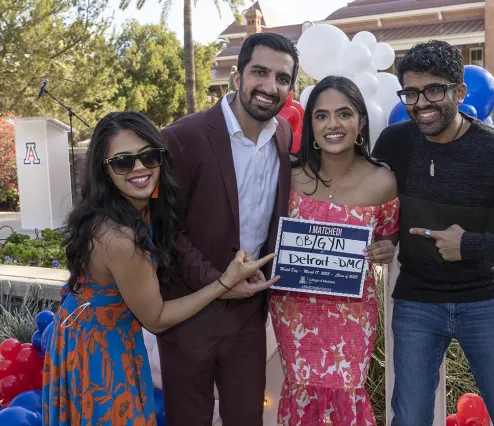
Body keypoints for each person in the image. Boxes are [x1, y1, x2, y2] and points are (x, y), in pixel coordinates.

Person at [371, 40, 494, 425]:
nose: (421, 103)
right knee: (409, 419)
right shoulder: (394, 143)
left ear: (459, 92)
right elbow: (382, 207)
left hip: (487, 303)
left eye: (434, 90)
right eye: (411, 92)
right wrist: (388, 239)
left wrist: (473, 245)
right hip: (416, 304)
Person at [42, 111, 276, 425]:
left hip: (99, 333)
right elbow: (157, 318)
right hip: (98, 347)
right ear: (104, 169)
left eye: (148, 156)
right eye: (123, 162)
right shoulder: (120, 238)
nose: (139, 168)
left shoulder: (136, 207)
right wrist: (223, 285)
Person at [156, 32, 298, 426]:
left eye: (282, 79)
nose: (270, 87)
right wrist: (219, 282)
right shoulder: (182, 137)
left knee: (246, 418)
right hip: (190, 313)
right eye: (260, 72)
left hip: (249, 319)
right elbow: (167, 231)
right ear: (237, 77)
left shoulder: (284, 137)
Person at [269, 76, 399, 425]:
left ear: (361, 122)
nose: (333, 124)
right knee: (301, 389)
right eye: (321, 116)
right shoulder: (288, 174)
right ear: (310, 124)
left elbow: (389, 235)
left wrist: (387, 248)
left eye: (344, 114)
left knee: (347, 391)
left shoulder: (383, 181)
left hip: (352, 313)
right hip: (294, 310)